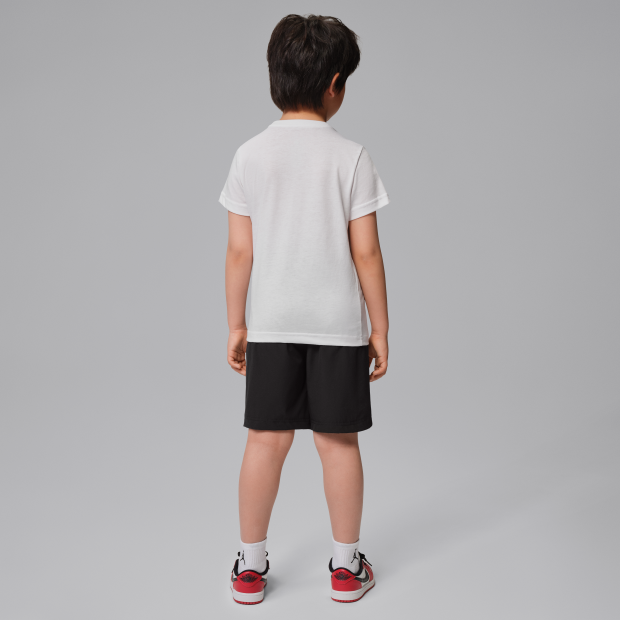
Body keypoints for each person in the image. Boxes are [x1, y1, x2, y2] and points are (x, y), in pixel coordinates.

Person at [221, 14, 389, 605]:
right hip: (338, 327)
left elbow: (239, 251)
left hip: (271, 322)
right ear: (335, 84)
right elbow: (366, 252)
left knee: (264, 443)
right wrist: (380, 328)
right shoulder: (352, 156)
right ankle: (345, 569)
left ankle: (249, 568)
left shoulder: (249, 155)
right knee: (338, 445)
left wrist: (236, 324)